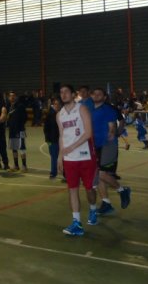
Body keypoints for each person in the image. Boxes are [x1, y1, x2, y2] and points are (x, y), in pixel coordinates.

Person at [57, 85, 97, 236]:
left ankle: (93, 209)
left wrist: (71, 147)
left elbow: (88, 133)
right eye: (61, 92)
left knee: (89, 189)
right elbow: (61, 136)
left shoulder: (82, 109)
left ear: (73, 94)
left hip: (85, 155)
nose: (63, 94)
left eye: (66, 92)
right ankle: (76, 222)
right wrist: (60, 156)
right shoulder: (59, 114)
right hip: (69, 158)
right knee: (72, 189)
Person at [90, 88, 131, 216]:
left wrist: (113, 133)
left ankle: (122, 190)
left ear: (104, 97)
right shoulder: (90, 109)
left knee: (101, 174)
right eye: (94, 93)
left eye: (99, 94)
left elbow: (112, 125)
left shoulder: (108, 109)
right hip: (96, 146)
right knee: (97, 176)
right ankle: (106, 203)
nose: (96, 95)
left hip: (108, 145)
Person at [7, 91, 28, 172]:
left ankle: (24, 166)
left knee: (22, 148)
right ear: (8, 98)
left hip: (20, 130)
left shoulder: (20, 106)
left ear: (16, 97)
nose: (12, 97)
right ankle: (16, 165)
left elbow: (25, 118)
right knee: (14, 148)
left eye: (13, 96)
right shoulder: (9, 106)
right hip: (12, 130)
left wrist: (19, 127)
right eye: (10, 96)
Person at [44, 97, 61, 179]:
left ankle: (64, 174)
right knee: (54, 157)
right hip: (53, 140)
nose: (57, 106)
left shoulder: (61, 113)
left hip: (61, 140)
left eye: (58, 104)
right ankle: (53, 172)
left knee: (63, 157)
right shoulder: (50, 114)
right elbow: (46, 128)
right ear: (53, 105)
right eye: (55, 104)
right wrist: (48, 140)